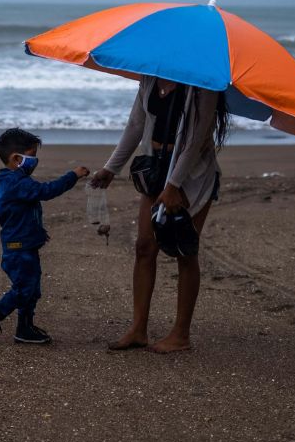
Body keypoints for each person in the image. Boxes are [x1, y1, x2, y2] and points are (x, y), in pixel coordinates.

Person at [90, 76, 227, 354]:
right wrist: (111, 168)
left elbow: (196, 138)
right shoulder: (150, 79)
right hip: (155, 167)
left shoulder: (204, 83)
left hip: (192, 174)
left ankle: (180, 335)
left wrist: (174, 185)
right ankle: (138, 329)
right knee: (144, 247)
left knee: (184, 250)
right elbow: (136, 125)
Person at [0, 128, 90, 346]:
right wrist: (73, 175)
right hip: (17, 247)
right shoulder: (16, 183)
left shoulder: (14, 181)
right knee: (23, 288)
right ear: (16, 159)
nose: (35, 161)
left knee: (32, 289)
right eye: (32, 156)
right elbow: (46, 191)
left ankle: (24, 328)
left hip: (26, 245)